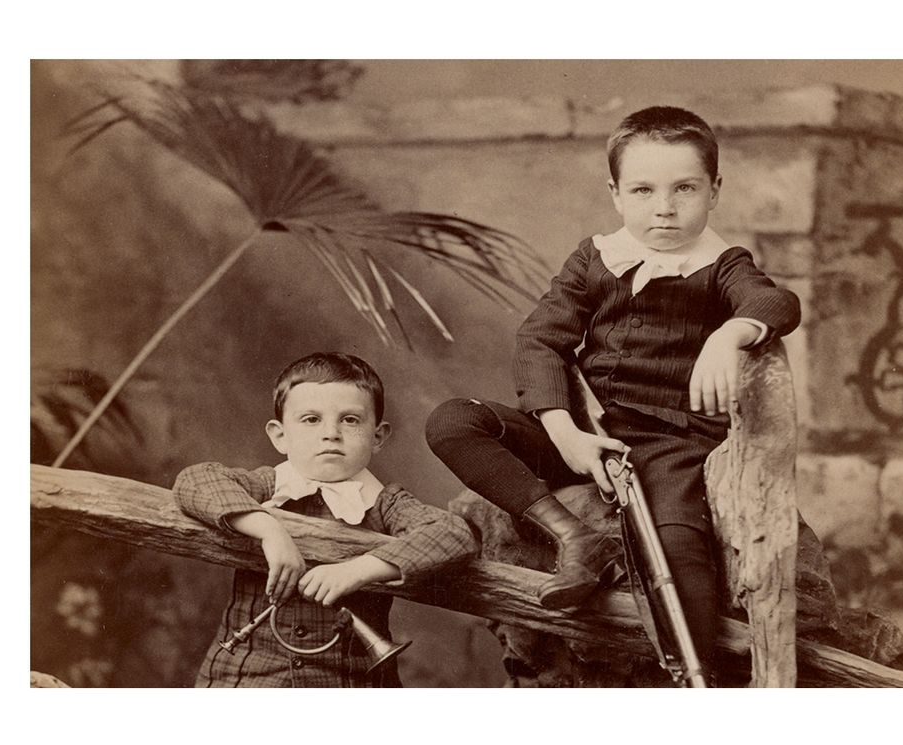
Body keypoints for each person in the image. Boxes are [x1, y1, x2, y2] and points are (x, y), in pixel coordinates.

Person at [425, 106, 800, 679]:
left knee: (679, 561)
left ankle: (689, 680)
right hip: (581, 430)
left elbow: (777, 304)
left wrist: (731, 334)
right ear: (616, 194)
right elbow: (538, 342)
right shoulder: (596, 259)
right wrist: (564, 435)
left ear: (715, 190)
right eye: (644, 189)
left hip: (670, 448)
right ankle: (572, 534)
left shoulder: (723, 265)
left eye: (685, 188)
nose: (665, 207)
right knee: (454, 422)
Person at [174, 352, 478, 687]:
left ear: (378, 436)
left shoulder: (384, 503)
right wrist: (269, 531)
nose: (330, 433)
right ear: (280, 436)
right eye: (311, 419)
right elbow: (195, 479)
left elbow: (453, 533)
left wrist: (357, 571)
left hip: (349, 681)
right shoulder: (268, 487)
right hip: (246, 676)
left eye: (350, 420)